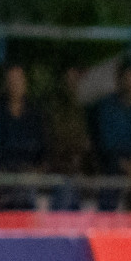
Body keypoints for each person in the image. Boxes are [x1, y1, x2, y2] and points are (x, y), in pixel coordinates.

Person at [91, 58, 131, 210]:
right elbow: (109, 150)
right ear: (121, 79)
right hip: (112, 169)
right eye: (130, 75)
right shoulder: (107, 108)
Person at [0, 64, 46, 210]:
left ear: (25, 83)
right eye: (11, 80)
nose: (15, 84)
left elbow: (43, 150)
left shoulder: (35, 114)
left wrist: (37, 171)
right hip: (3, 172)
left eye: (18, 79)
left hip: (28, 172)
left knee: (26, 189)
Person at [45, 65, 95, 209]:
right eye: (72, 74)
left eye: (78, 75)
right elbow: (58, 136)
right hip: (60, 166)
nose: (76, 79)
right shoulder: (56, 103)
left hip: (78, 167)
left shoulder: (80, 105)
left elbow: (84, 138)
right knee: (66, 188)